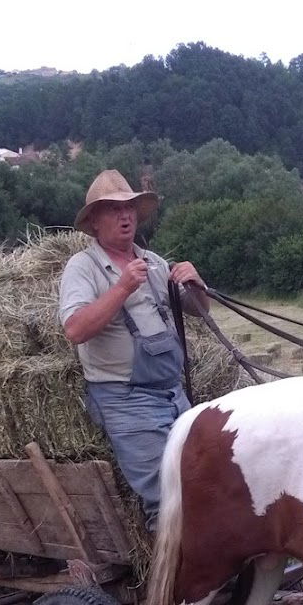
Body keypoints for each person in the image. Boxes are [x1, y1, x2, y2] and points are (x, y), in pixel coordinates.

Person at [57, 170, 207, 528]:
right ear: (94, 221)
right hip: (126, 400)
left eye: (129, 208)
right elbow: (75, 329)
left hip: (173, 394)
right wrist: (122, 287)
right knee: (167, 501)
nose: (125, 216)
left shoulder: (154, 262)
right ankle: (171, 564)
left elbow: (199, 310)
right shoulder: (83, 267)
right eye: (113, 209)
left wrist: (196, 283)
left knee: (204, 486)